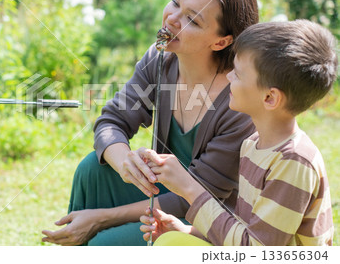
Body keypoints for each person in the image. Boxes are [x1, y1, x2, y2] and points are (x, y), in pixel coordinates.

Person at [42, 0, 259, 246]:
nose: (172, 19)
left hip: (203, 219)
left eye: (192, 19)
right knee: (92, 170)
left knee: (102, 245)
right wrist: (125, 164)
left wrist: (102, 217)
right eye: (176, 2)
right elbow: (112, 121)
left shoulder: (238, 101)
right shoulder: (159, 59)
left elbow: (198, 196)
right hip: (163, 194)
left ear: (221, 41)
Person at [140, 20, 337, 246]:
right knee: (173, 242)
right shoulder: (253, 144)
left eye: (239, 74)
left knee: (169, 247)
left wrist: (189, 187)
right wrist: (189, 231)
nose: (230, 77)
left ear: (270, 98)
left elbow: (256, 252)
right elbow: (246, 228)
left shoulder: (294, 162)